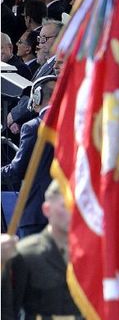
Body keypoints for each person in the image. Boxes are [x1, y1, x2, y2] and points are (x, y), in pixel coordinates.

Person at [1, 181, 104, 320]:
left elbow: (96, 316)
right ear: (47, 210)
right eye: (64, 204)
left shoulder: (89, 256)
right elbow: (7, 317)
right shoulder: (27, 255)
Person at [1, 76, 56, 237]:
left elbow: (17, 170)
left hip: (36, 214)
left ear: (36, 97)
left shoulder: (32, 127)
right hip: (68, 211)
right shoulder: (76, 126)